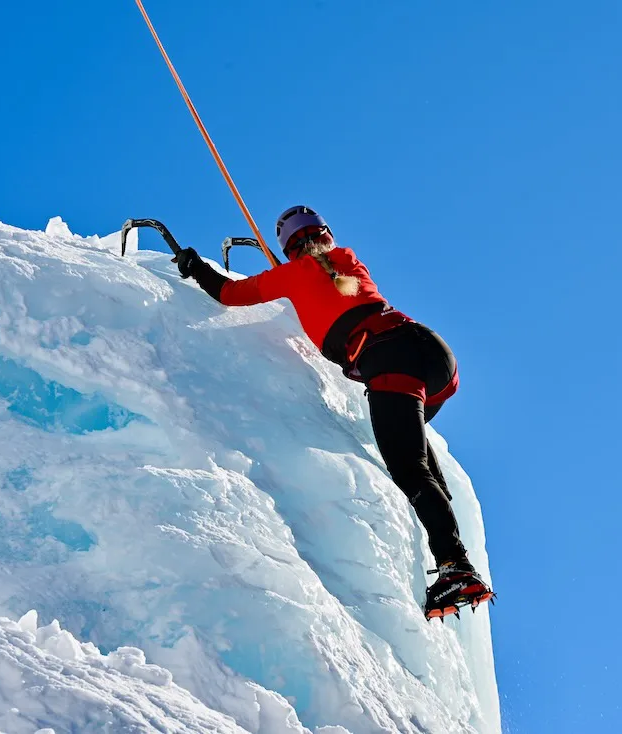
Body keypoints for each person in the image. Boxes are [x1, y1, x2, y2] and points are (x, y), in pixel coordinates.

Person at [172, 206, 493, 620]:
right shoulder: (346, 259)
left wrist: (195, 266)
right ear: (326, 235)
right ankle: (449, 541)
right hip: (434, 358)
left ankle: (454, 565)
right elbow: (330, 292)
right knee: (415, 455)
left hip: (390, 361)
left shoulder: (293, 273)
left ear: (288, 250)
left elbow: (230, 294)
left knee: (408, 466)